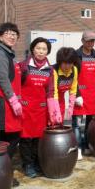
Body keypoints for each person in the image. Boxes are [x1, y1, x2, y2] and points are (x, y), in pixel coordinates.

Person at [19, 37, 62, 178]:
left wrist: (52, 113)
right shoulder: (23, 66)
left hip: (41, 110)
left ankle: (37, 162)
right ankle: (27, 164)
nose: (41, 52)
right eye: (38, 48)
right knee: (26, 138)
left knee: (39, 138)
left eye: (44, 49)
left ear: (47, 52)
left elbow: (50, 92)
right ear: (32, 49)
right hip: (25, 109)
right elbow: (16, 87)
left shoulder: (49, 70)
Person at [0, 22, 22, 187]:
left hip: (8, 101)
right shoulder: (0, 54)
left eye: (15, 33)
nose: (12, 36)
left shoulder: (9, 54)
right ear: (0, 36)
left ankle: (0, 174)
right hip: (4, 103)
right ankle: (4, 175)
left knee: (5, 140)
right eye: (8, 33)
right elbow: (3, 79)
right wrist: (13, 99)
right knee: (11, 140)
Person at [73, 31, 95, 156]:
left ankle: (87, 145)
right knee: (76, 124)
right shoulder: (76, 55)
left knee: (90, 123)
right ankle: (78, 149)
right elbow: (72, 77)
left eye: (92, 41)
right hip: (80, 95)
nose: (90, 43)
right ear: (82, 41)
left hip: (93, 94)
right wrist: (77, 95)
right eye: (88, 41)